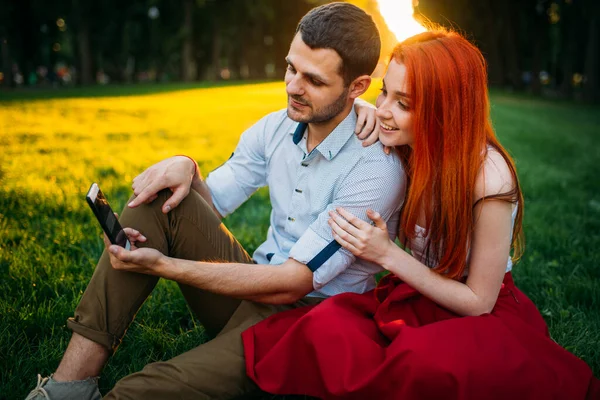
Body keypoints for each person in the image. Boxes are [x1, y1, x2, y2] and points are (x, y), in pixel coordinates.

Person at [25, 3, 407, 400]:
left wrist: (166, 267)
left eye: (313, 80)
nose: (293, 86)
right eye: (292, 68)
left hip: (307, 323)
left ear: (357, 87)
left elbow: (292, 284)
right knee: (160, 197)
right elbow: (212, 203)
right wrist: (186, 167)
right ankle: (69, 385)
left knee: (145, 391)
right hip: (254, 288)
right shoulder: (278, 126)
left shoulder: (375, 167)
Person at [241, 29, 600, 399]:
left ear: (446, 110)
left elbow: (479, 303)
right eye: (384, 92)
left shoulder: (488, 178)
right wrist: (361, 109)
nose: (384, 111)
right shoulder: (404, 145)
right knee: (325, 324)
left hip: (474, 312)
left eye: (404, 103)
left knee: (421, 364)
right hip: (413, 296)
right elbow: (367, 114)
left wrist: (387, 255)